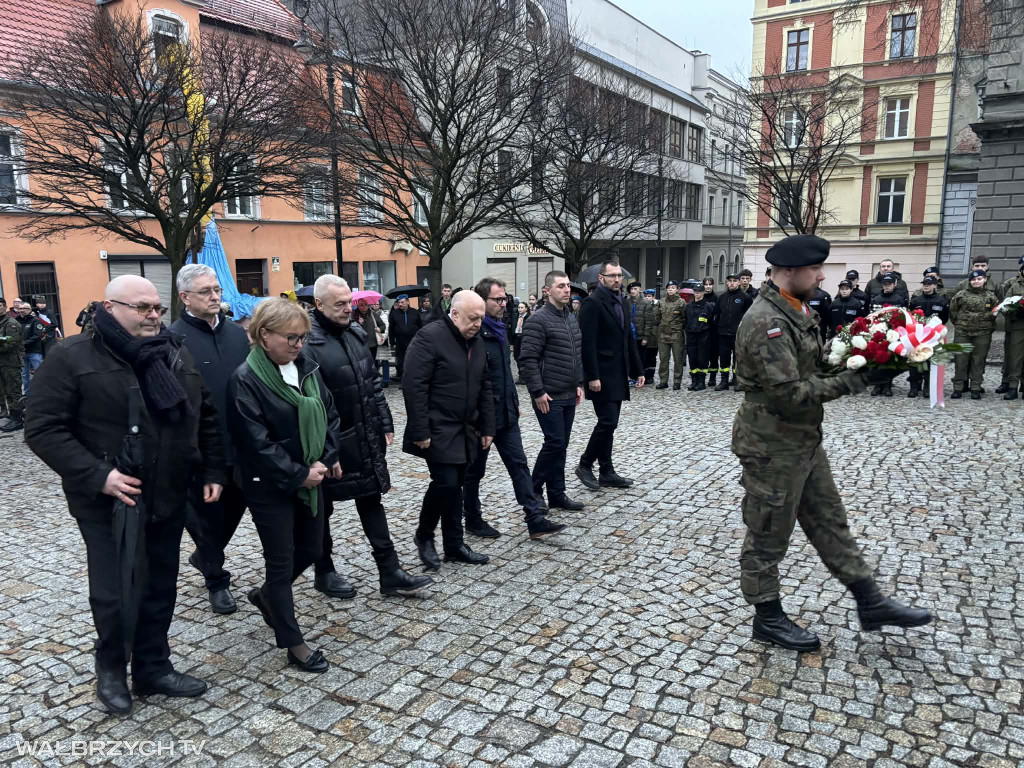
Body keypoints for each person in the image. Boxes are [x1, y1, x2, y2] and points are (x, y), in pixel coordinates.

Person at [25, 275, 226, 713]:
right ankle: (112, 669)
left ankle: (153, 667)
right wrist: (99, 475)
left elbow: (204, 414)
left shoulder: (173, 352)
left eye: (157, 308)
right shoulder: (71, 356)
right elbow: (43, 429)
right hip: (108, 502)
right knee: (114, 590)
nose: (153, 315)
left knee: (160, 584)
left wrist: (212, 468)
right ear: (110, 307)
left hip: (168, 491)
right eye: (142, 308)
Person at [732, 234, 931, 652]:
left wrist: (871, 353)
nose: (822, 276)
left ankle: (870, 602)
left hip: (802, 438)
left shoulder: (796, 308)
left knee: (829, 520)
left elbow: (814, 365)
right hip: (771, 445)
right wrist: (858, 379)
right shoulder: (766, 321)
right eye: (815, 269)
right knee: (768, 531)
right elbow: (790, 393)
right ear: (789, 271)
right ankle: (767, 617)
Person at [228, 299, 342, 674]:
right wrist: (298, 473)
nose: (298, 344)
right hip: (269, 485)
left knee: (312, 547)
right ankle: (294, 643)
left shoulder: (306, 367)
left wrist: (327, 456)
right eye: (291, 337)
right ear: (264, 335)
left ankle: (266, 597)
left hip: (311, 477)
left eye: (303, 337)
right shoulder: (245, 379)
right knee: (280, 563)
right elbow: (256, 443)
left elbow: (330, 414)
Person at [304, 276, 434, 598]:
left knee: (371, 498)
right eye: (339, 304)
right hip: (328, 441)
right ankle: (324, 571)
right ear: (319, 304)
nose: (347, 309)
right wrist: (326, 449)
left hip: (364, 433)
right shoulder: (307, 342)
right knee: (321, 509)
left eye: (349, 302)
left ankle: (390, 571)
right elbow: (309, 403)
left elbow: (372, 381)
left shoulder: (355, 333)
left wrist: (384, 419)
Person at [169, 264, 252, 616]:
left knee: (236, 508)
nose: (215, 296)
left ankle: (205, 556)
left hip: (241, 442)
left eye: (216, 289)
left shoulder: (237, 334)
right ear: (185, 297)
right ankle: (217, 580)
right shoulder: (173, 340)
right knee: (207, 517)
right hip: (200, 448)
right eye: (205, 291)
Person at [462, 278, 566, 540]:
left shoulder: (499, 330)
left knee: (519, 465)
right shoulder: (473, 334)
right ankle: (472, 518)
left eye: (504, 298)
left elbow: (505, 374)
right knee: (474, 471)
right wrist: (477, 419)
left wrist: (514, 402)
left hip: (506, 414)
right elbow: (472, 383)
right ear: (482, 301)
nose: (503, 303)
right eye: (497, 299)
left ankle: (535, 519)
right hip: (481, 419)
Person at [402, 290, 495, 569]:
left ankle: (454, 545)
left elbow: (484, 385)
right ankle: (424, 535)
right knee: (446, 483)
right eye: (472, 318)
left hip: (466, 427)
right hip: (436, 426)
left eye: (481, 318)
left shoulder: (476, 341)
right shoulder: (429, 337)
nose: (478, 324)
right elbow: (414, 386)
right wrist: (420, 431)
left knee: (457, 485)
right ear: (454, 314)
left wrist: (488, 426)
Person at [575, 260, 645, 490]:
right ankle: (585, 464)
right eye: (612, 276)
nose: (616, 279)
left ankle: (606, 471)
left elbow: (627, 338)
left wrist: (638, 370)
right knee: (608, 421)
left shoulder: (622, 301)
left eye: (619, 276)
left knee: (610, 424)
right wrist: (592, 376)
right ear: (601, 278)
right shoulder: (592, 303)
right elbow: (587, 343)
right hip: (601, 373)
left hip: (618, 371)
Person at [520, 271, 586, 512]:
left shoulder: (570, 317)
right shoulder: (538, 320)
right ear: (548, 290)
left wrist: (578, 383)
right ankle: (534, 490)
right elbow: (527, 359)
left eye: (568, 286)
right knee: (555, 443)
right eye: (561, 286)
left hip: (568, 391)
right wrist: (537, 391)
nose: (567, 290)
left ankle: (557, 494)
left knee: (561, 445)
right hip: (548, 394)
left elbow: (575, 353)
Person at [950, 270, 998, 400]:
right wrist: (961, 323)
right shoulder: (961, 295)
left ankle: (975, 387)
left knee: (978, 360)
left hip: (982, 333)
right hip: (963, 332)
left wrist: (985, 324)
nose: (976, 281)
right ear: (970, 281)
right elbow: (953, 312)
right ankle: (958, 387)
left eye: (979, 279)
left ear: (985, 280)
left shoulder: (991, 297)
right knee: (960, 359)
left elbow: (994, 314)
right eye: (973, 279)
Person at [906, 275, 949, 399]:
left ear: (935, 285)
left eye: (929, 284)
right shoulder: (916, 300)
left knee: (931, 362)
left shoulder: (941, 301)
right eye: (924, 284)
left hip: (934, 336)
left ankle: (927, 388)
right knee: (914, 360)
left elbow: (944, 318)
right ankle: (914, 387)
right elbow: (911, 316)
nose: (926, 286)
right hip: (918, 335)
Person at [713, 274, 753, 390]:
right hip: (723, 333)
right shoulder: (722, 297)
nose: (732, 283)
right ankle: (724, 381)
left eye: (734, 281)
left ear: (739, 283)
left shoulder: (745, 297)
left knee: (738, 358)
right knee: (724, 358)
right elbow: (717, 314)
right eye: (730, 281)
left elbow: (749, 316)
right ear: (727, 283)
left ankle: (737, 380)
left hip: (738, 334)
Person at [1000, 255, 1024, 400]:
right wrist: (1016, 310)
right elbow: (1004, 306)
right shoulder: (1015, 286)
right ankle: (1012, 387)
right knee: (1015, 357)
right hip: (1018, 326)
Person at [654, 281, 686, 390]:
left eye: (673, 287)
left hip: (676, 334)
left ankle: (677, 381)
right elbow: (657, 317)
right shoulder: (661, 302)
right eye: (669, 288)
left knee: (678, 359)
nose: (670, 289)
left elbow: (684, 318)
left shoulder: (681, 302)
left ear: (677, 289)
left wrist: (679, 327)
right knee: (663, 359)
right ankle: (663, 381)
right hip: (663, 334)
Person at [684, 282, 715, 391]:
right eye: (695, 291)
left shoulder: (708, 306)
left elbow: (712, 322)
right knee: (692, 358)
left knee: (702, 358)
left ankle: (701, 381)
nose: (697, 293)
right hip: (691, 335)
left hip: (703, 336)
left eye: (699, 291)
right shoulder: (688, 306)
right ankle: (694, 380)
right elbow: (685, 320)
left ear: (703, 293)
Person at [0, 297, 24, 430]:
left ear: (4, 307)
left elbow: (11, 343)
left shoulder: (11, 323)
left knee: (14, 391)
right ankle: (12, 416)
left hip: (11, 362)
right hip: (2, 362)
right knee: (6, 391)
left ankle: (18, 419)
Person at [387, 294, 422, 382]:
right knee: (401, 362)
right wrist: (392, 342)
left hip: (413, 342)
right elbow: (391, 329)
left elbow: (420, 327)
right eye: (399, 302)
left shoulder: (415, 312)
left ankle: (413, 379)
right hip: (400, 342)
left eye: (402, 302)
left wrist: (420, 341)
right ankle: (403, 380)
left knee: (412, 360)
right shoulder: (395, 314)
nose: (400, 304)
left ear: (407, 302)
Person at [15, 299, 45, 396]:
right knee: (24, 375)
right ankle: (27, 395)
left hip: (34, 351)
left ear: (30, 309)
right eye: (20, 308)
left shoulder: (35, 321)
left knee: (39, 373)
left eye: (24, 308)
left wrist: (23, 343)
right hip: (22, 352)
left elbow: (37, 336)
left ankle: (42, 393)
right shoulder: (16, 321)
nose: (22, 310)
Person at [702, 278, 721, 387]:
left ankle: (712, 378)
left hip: (713, 331)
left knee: (714, 356)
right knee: (703, 355)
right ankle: (702, 377)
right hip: (702, 330)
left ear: (713, 285)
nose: (708, 286)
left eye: (710, 284)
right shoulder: (701, 297)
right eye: (706, 284)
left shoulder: (717, 298)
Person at [511, 299, 530, 371]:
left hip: (524, 338)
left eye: (522, 307)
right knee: (516, 355)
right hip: (516, 337)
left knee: (523, 355)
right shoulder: (515, 316)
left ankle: (523, 371)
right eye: (519, 307)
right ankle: (520, 370)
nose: (519, 309)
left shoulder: (529, 317)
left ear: (526, 309)